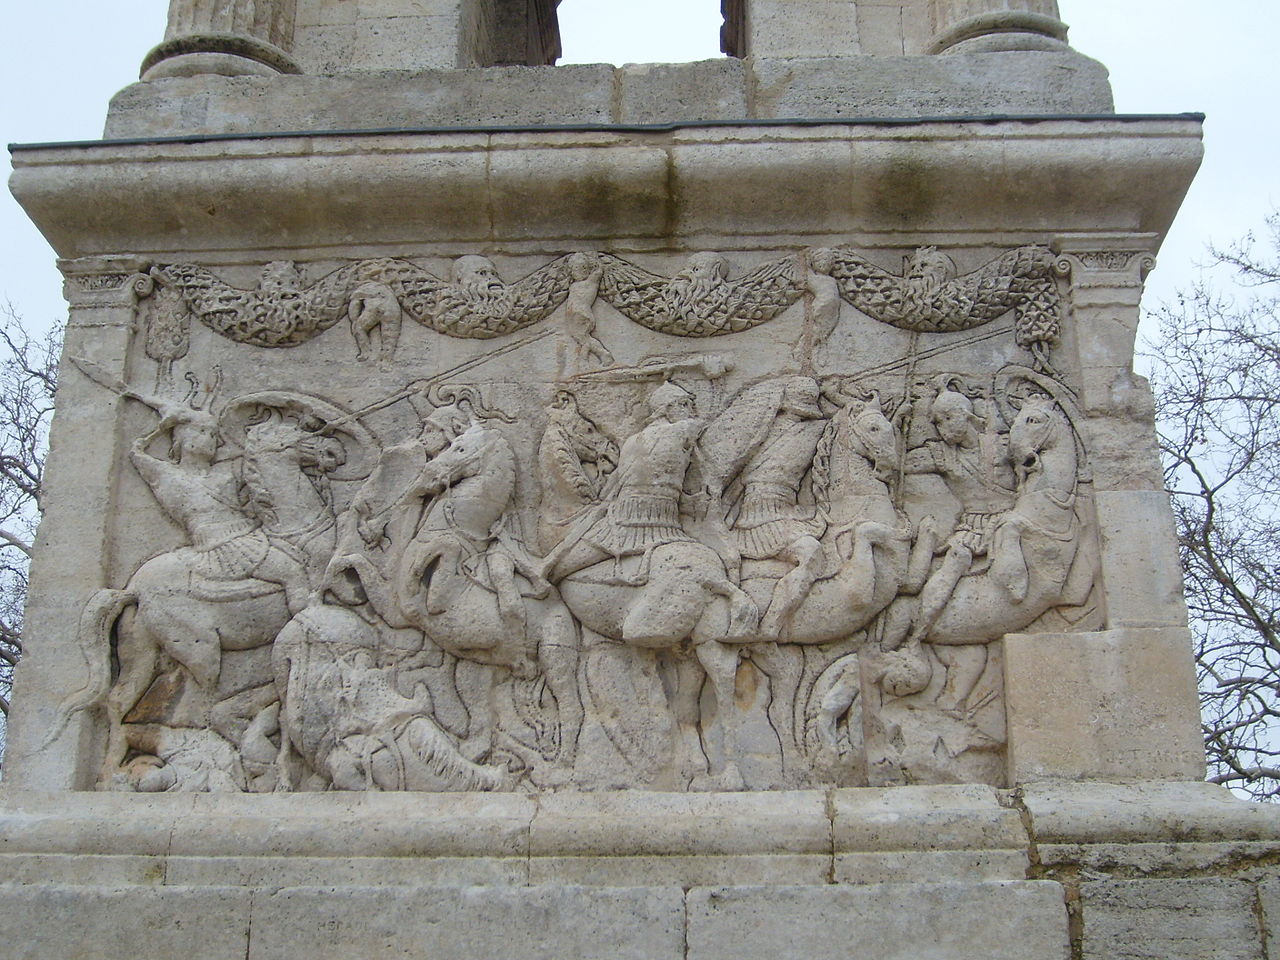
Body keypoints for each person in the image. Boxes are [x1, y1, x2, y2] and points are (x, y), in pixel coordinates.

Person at [541, 380, 704, 583]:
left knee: (560, 568)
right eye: (685, 404)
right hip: (657, 521)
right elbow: (699, 425)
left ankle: (546, 572)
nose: (691, 410)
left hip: (618, 518)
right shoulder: (681, 430)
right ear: (668, 408)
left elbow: (613, 486)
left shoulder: (631, 440)